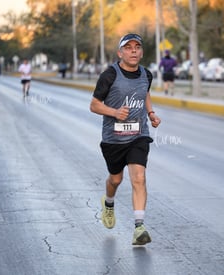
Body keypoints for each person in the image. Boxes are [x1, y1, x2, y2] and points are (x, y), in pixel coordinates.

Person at [89, 33, 161, 245]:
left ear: (141, 51)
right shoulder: (109, 75)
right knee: (116, 179)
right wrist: (114, 112)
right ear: (120, 52)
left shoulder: (146, 74)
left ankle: (139, 227)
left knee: (138, 178)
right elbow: (94, 105)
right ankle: (108, 203)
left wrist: (151, 113)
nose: (133, 51)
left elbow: (144, 93)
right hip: (114, 138)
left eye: (137, 47)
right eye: (128, 47)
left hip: (138, 135)